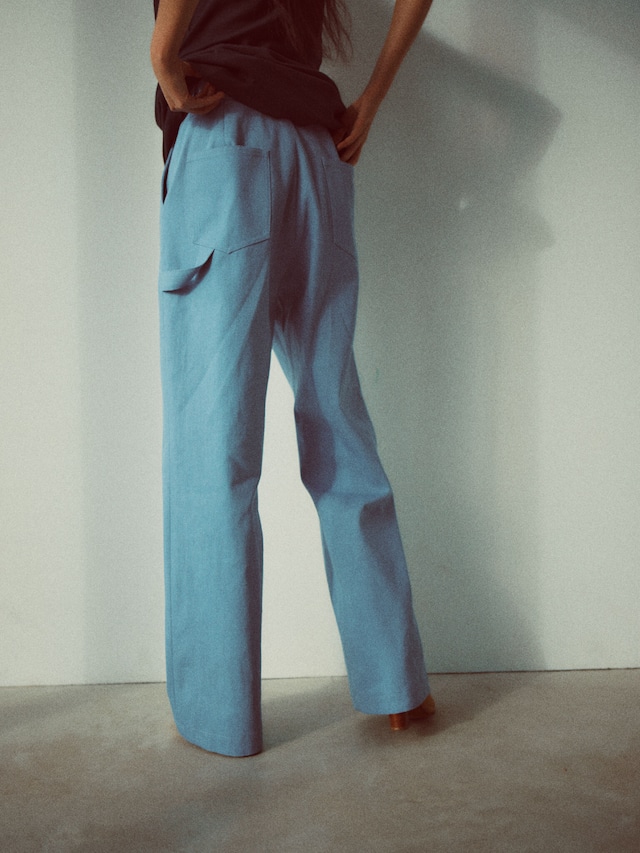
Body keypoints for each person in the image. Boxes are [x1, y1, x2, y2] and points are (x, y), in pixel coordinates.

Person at [151, 0, 435, 757]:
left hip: (225, 138)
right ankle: (398, 686)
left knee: (213, 444)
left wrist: (163, 54)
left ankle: (221, 717)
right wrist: (371, 97)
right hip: (316, 149)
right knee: (337, 418)